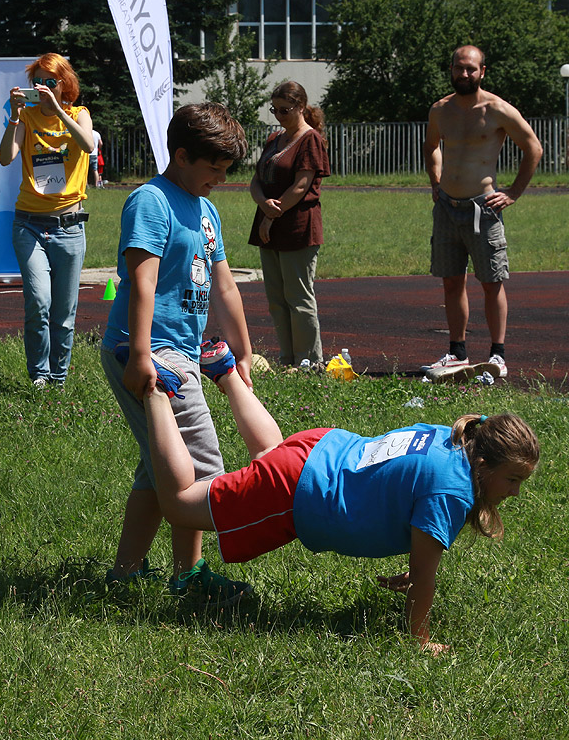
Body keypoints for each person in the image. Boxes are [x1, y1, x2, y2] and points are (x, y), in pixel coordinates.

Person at [143, 364, 538, 653]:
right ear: (484, 466)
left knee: (269, 452)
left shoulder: (455, 438)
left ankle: (226, 370)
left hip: (320, 448)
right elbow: (424, 575)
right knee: (179, 505)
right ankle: (158, 392)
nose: (517, 493)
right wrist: (420, 640)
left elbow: (402, 484)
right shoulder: (451, 491)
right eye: (513, 480)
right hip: (299, 489)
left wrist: (418, 564)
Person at [101, 102, 255, 601]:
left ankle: (125, 574)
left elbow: (225, 287)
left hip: (179, 351)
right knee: (198, 465)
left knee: (158, 464)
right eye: (214, 169)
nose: (220, 179)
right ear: (182, 155)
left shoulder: (206, 210)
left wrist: (244, 349)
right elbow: (140, 282)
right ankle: (189, 576)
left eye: (226, 171)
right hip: (150, 352)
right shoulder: (151, 201)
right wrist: (142, 356)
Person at [422, 45, 542, 379]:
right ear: (451, 69)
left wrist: (513, 193)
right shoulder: (440, 109)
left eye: (471, 69)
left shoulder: (497, 109)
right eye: (459, 68)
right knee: (451, 281)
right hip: (447, 205)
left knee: (491, 282)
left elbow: (533, 147)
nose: (464, 74)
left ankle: (497, 354)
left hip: (482, 207)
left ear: (482, 72)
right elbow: (431, 146)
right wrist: (435, 182)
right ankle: (457, 352)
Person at [0, 52, 95, 387]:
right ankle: (39, 376)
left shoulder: (79, 114)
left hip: (69, 226)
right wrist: (14, 116)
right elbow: (5, 157)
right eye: (38, 81)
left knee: (64, 313)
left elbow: (86, 145)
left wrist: (59, 113)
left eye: (50, 81)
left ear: (64, 84)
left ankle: (59, 378)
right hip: (29, 224)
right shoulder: (25, 118)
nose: (42, 87)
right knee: (39, 301)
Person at [249, 81, 330, 368]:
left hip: (297, 227)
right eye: (275, 110)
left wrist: (272, 214)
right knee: (276, 299)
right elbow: (256, 179)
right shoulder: (274, 139)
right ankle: (287, 360)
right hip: (268, 224)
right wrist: (262, 204)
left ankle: (308, 362)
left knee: (298, 297)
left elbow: (301, 185)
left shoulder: (310, 140)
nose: (279, 115)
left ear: (301, 107)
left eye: (285, 110)